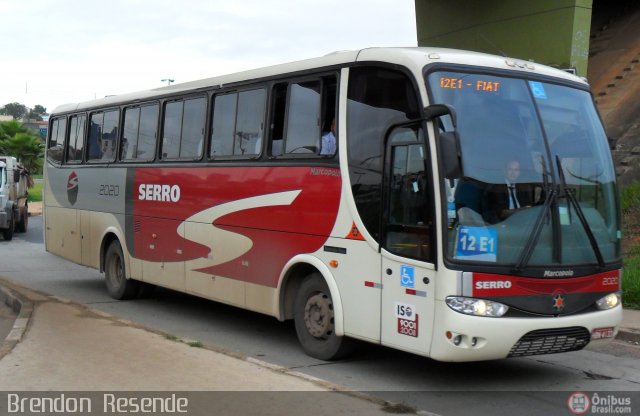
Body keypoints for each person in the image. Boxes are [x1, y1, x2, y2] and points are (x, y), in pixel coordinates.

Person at [482, 159, 534, 223]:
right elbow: (501, 213)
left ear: (519, 172)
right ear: (504, 171)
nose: (513, 173)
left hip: (524, 222)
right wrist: (522, 210)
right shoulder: (497, 187)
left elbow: (530, 208)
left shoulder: (524, 187)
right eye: (510, 169)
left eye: (516, 170)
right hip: (504, 223)